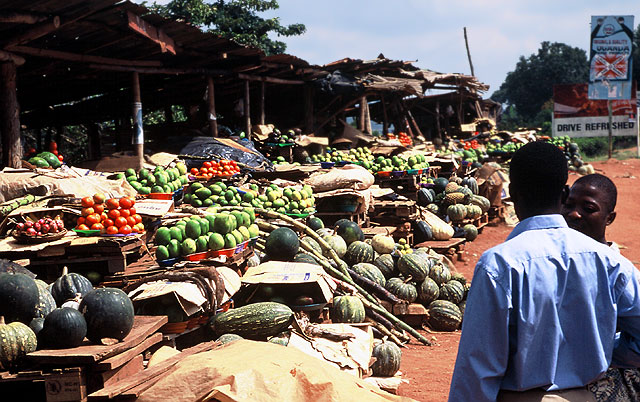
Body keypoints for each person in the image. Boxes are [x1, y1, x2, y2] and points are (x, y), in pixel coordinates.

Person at [448, 141, 640, 402]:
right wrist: (603, 347)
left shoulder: (499, 265)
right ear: (563, 194)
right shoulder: (610, 261)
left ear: (512, 193)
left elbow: (478, 368)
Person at [562, 174, 640, 401]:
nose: (574, 214)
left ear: (609, 218)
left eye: (588, 208)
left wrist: (600, 352)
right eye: (569, 205)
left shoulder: (617, 271)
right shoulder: (552, 261)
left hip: (600, 377)